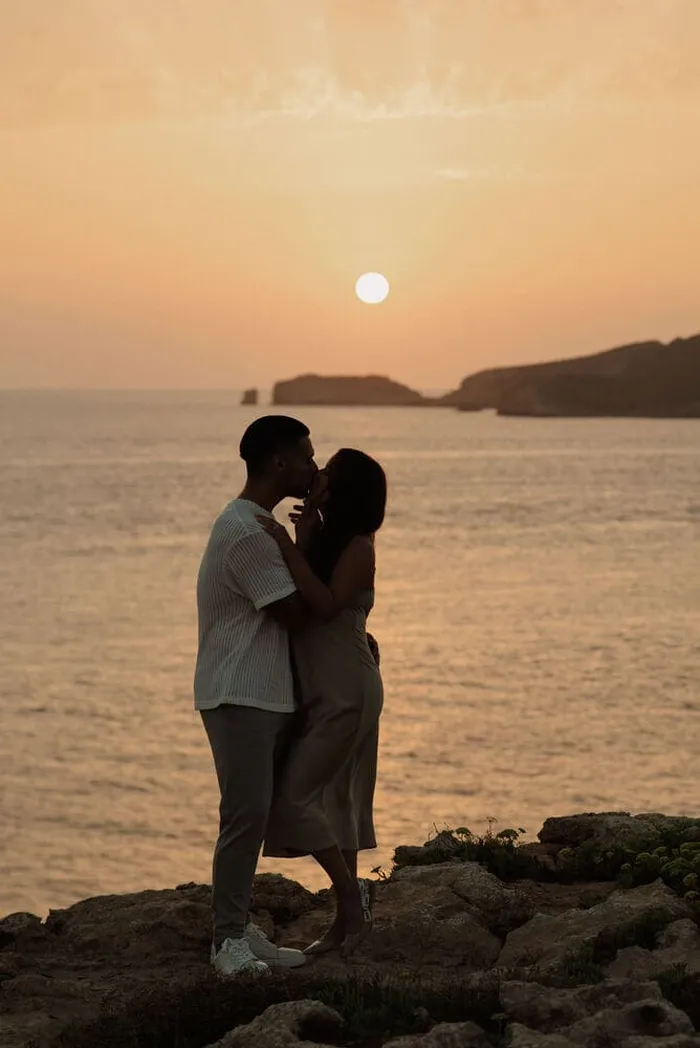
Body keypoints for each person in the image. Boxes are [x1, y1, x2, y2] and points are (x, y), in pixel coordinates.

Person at [194, 414, 317, 977]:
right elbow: (293, 612)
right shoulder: (247, 531)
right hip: (239, 691)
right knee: (243, 816)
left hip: (259, 691)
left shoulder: (258, 525)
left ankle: (240, 928)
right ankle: (226, 944)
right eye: (307, 455)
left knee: (256, 812)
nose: (313, 465)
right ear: (279, 462)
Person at [257, 448, 387, 956]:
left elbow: (327, 606)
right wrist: (305, 540)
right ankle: (343, 926)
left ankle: (352, 904)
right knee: (338, 803)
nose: (319, 473)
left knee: (294, 798)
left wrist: (290, 546)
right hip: (328, 686)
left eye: (327, 468)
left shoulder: (358, 546)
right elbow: (305, 603)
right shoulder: (328, 541)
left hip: (347, 689)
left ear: (342, 488)